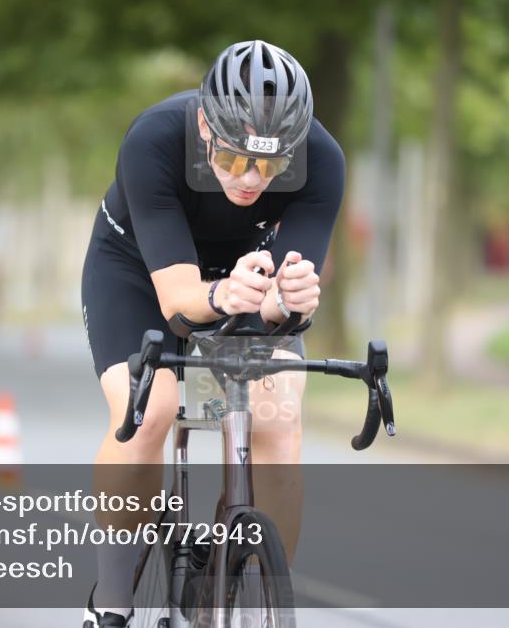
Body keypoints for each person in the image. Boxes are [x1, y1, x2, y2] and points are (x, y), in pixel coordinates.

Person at [80, 39, 344, 627]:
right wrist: (222, 293)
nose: (251, 179)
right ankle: (114, 604)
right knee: (151, 407)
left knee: (278, 417)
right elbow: (177, 304)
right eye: (232, 159)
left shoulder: (322, 159)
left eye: (271, 164)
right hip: (141, 273)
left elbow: (282, 302)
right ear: (205, 125)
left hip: (246, 273)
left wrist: (291, 301)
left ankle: (256, 595)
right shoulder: (154, 139)